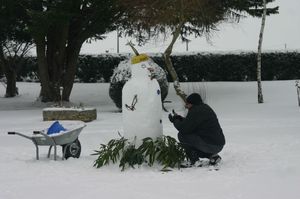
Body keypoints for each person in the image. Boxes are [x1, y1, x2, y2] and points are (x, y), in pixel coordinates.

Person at [169, 93, 225, 167]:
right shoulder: (204, 107)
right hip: (218, 144)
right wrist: (180, 118)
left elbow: (184, 129)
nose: (186, 106)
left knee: (182, 135)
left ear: (193, 103)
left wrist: (175, 120)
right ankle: (213, 156)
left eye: (187, 104)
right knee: (193, 141)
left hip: (211, 145)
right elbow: (193, 123)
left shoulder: (195, 111)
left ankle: (194, 161)